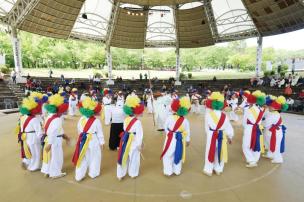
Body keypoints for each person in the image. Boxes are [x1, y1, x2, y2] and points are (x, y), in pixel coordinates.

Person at [72, 97, 104, 181]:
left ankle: (79, 175)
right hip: (93, 140)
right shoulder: (96, 121)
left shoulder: (81, 119)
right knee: (95, 156)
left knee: (82, 156)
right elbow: (100, 133)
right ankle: (93, 173)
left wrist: (82, 137)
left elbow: (79, 130)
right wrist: (102, 143)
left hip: (83, 139)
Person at [203, 92, 234, 176]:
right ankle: (218, 168)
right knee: (221, 151)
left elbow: (206, 127)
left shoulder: (208, 115)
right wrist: (230, 136)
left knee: (210, 150)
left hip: (211, 134)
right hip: (222, 134)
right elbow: (228, 127)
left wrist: (209, 133)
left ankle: (208, 169)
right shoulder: (225, 116)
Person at [41, 94, 70, 178]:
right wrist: (50, 144)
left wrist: (66, 137)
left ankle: (47, 171)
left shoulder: (49, 116)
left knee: (49, 156)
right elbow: (54, 132)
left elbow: (55, 130)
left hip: (48, 139)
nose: (65, 112)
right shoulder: (57, 119)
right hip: (54, 140)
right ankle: (55, 173)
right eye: (64, 111)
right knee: (57, 157)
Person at [161, 97, 191, 176]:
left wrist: (169, 133)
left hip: (170, 138)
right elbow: (187, 131)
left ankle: (168, 171)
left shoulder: (169, 118)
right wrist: (187, 140)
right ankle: (177, 171)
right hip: (180, 138)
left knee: (168, 154)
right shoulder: (185, 121)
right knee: (178, 153)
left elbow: (165, 127)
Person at [117, 95, 144, 180]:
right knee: (134, 157)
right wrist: (139, 144)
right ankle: (133, 173)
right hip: (134, 141)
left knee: (124, 155)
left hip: (125, 140)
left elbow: (125, 130)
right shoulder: (138, 122)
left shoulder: (126, 119)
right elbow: (139, 134)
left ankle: (120, 174)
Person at [16, 97, 43, 171]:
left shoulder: (22, 117)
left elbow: (21, 129)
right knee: (36, 152)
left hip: (25, 137)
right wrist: (43, 138)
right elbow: (39, 132)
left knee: (30, 151)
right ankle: (34, 166)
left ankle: (30, 163)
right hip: (34, 137)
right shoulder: (35, 119)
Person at [242, 90, 266, 168]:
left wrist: (245, 127)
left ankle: (251, 161)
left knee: (245, 145)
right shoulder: (260, 109)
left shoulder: (249, 109)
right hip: (257, 127)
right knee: (256, 144)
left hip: (249, 128)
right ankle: (255, 159)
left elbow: (245, 121)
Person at [262, 96, 288, 163]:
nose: (269, 107)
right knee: (269, 144)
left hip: (275, 133)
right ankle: (270, 154)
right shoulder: (271, 112)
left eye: (270, 106)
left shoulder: (274, 115)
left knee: (276, 146)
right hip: (270, 132)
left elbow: (265, 124)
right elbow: (265, 114)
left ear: (275, 108)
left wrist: (259, 122)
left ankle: (278, 159)